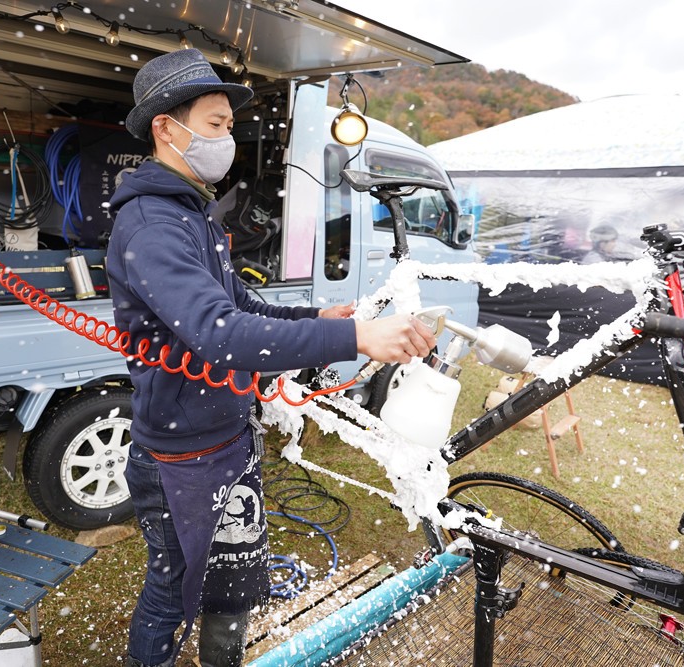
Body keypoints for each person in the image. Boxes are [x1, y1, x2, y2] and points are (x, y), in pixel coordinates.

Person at [105, 49, 437, 667]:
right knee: (171, 592)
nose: (227, 138)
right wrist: (358, 341)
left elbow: (241, 305)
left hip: (225, 437)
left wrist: (317, 320)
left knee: (230, 585)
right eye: (214, 124)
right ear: (164, 126)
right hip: (180, 456)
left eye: (229, 126)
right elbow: (220, 332)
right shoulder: (152, 225)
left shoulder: (191, 212)